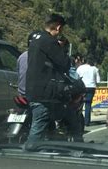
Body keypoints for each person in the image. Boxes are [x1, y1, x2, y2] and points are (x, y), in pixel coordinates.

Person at [26, 14, 78, 142]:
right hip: (45, 92)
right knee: (39, 125)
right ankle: (31, 149)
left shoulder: (35, 38)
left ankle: (49, 143)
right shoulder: (49, 41)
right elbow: (64, 63)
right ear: (59, 27)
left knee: (43, 123)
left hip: (31, 89)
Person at [16, 31, 40, 96]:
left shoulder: (22, 56)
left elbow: (18, 74)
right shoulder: (40, 57)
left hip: (21, 93)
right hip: (34, 96)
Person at [77, 57, 99, 126]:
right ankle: (87, 122)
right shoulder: (94, 69)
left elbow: (76, 77)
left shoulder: (80, 68)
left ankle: (78, 120)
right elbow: (98, 80)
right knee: (88, 104)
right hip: (91, 87)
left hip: (81, 87)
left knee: (79, 104)